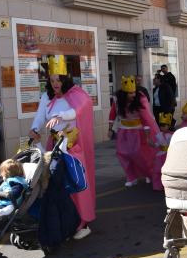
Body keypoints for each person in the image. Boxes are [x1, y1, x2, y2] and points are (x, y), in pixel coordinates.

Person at [29, 55, 95, 240]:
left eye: (58, 79)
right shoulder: (46, 96)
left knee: (76, 183)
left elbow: (79, 109)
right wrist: (34, 129)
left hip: (73, 147)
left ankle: (84, 221)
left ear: (66, 79)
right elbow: (40, 116)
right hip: (54, 145)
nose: (55, 83)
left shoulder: (76, 93)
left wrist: (61, 116)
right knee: (55, 184)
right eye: (52, 79)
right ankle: (64, 221)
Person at [109, 75, 164, 188]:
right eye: (130, 93)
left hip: (138, 132)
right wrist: (110, 129)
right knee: (123, 154)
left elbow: (147, 118)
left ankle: (149, 173)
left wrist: (149, 135)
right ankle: (131, 177)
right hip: (123, 131)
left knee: (140, 155)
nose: (133, 95)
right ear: (124, 94)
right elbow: (113, 113)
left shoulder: (140, 100)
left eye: (134, 92)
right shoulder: (118, 101)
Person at [150, 112, 174, 192]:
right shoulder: (159, 135)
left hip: (169, 155)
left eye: (164, 125)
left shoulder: (171, 135)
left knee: (168, 171)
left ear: (169, 125)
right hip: (160, 155)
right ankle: (158, 185)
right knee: (157, 171)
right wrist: (151, 143)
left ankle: (169, 186)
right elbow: (157, 144)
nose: (162, 127)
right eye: (161, 125)